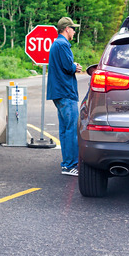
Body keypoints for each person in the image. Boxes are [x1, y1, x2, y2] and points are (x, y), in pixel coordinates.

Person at [47, 17, 82, 176]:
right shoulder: (62, 44)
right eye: (73, 28)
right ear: (66, 29)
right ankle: (70, 165)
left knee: (65, 129)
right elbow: (68, 66)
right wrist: (75, 66)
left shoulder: (57, 44)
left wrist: (72, 66)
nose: (74, 31)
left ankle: (66, 164)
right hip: (66, 92)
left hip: (59, 92)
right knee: (71, 130)